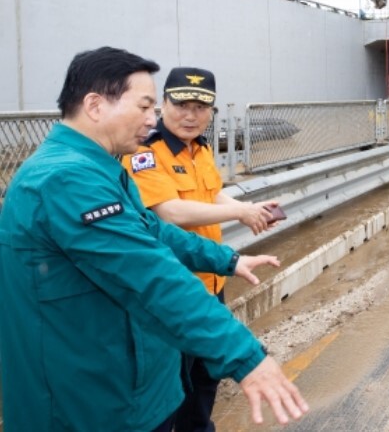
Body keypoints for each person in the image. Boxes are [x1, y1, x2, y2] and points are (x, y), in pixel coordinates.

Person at [0, 47, 308, 432]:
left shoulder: (99, 168)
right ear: (95, 105)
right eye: (145, 106)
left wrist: (227, 260)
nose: (152, 118)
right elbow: (150, 274)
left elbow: (153, 230)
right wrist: (245, 357)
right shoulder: (66, 180)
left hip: (132, 387)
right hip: (91, 406)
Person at [123, 67, 283, 432]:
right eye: (182, 105)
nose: (191, 115)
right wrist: (240, 213)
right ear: (163, 104)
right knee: (173, 385)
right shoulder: (145, 153)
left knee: (206, 375)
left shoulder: (200, 148)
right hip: (174, 289)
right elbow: (170, 212)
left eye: (200, 107)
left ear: (211, 111)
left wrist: (250, 209)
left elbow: (212, 194)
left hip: (211, 283)